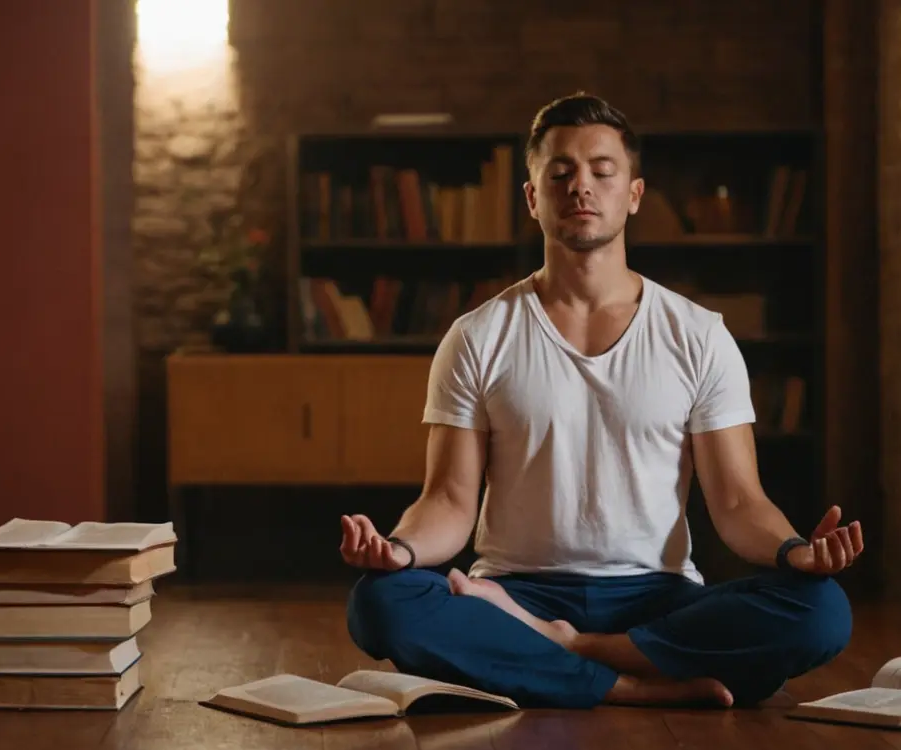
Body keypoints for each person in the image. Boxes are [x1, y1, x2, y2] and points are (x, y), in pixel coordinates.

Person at [338, 92, 862, 710]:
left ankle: (573, 653)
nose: (580, 186)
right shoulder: (477, 336)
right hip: (514, 591)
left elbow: (740, 501)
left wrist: (795, 551)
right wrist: (396, 550)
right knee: (380, 603)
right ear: (533, 198)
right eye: (559, 174)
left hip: (656, 597)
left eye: (601, 172)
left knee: (821, 610)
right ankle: (635, 684)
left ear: (633, 195)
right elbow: (449, 501)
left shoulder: (698, 335)